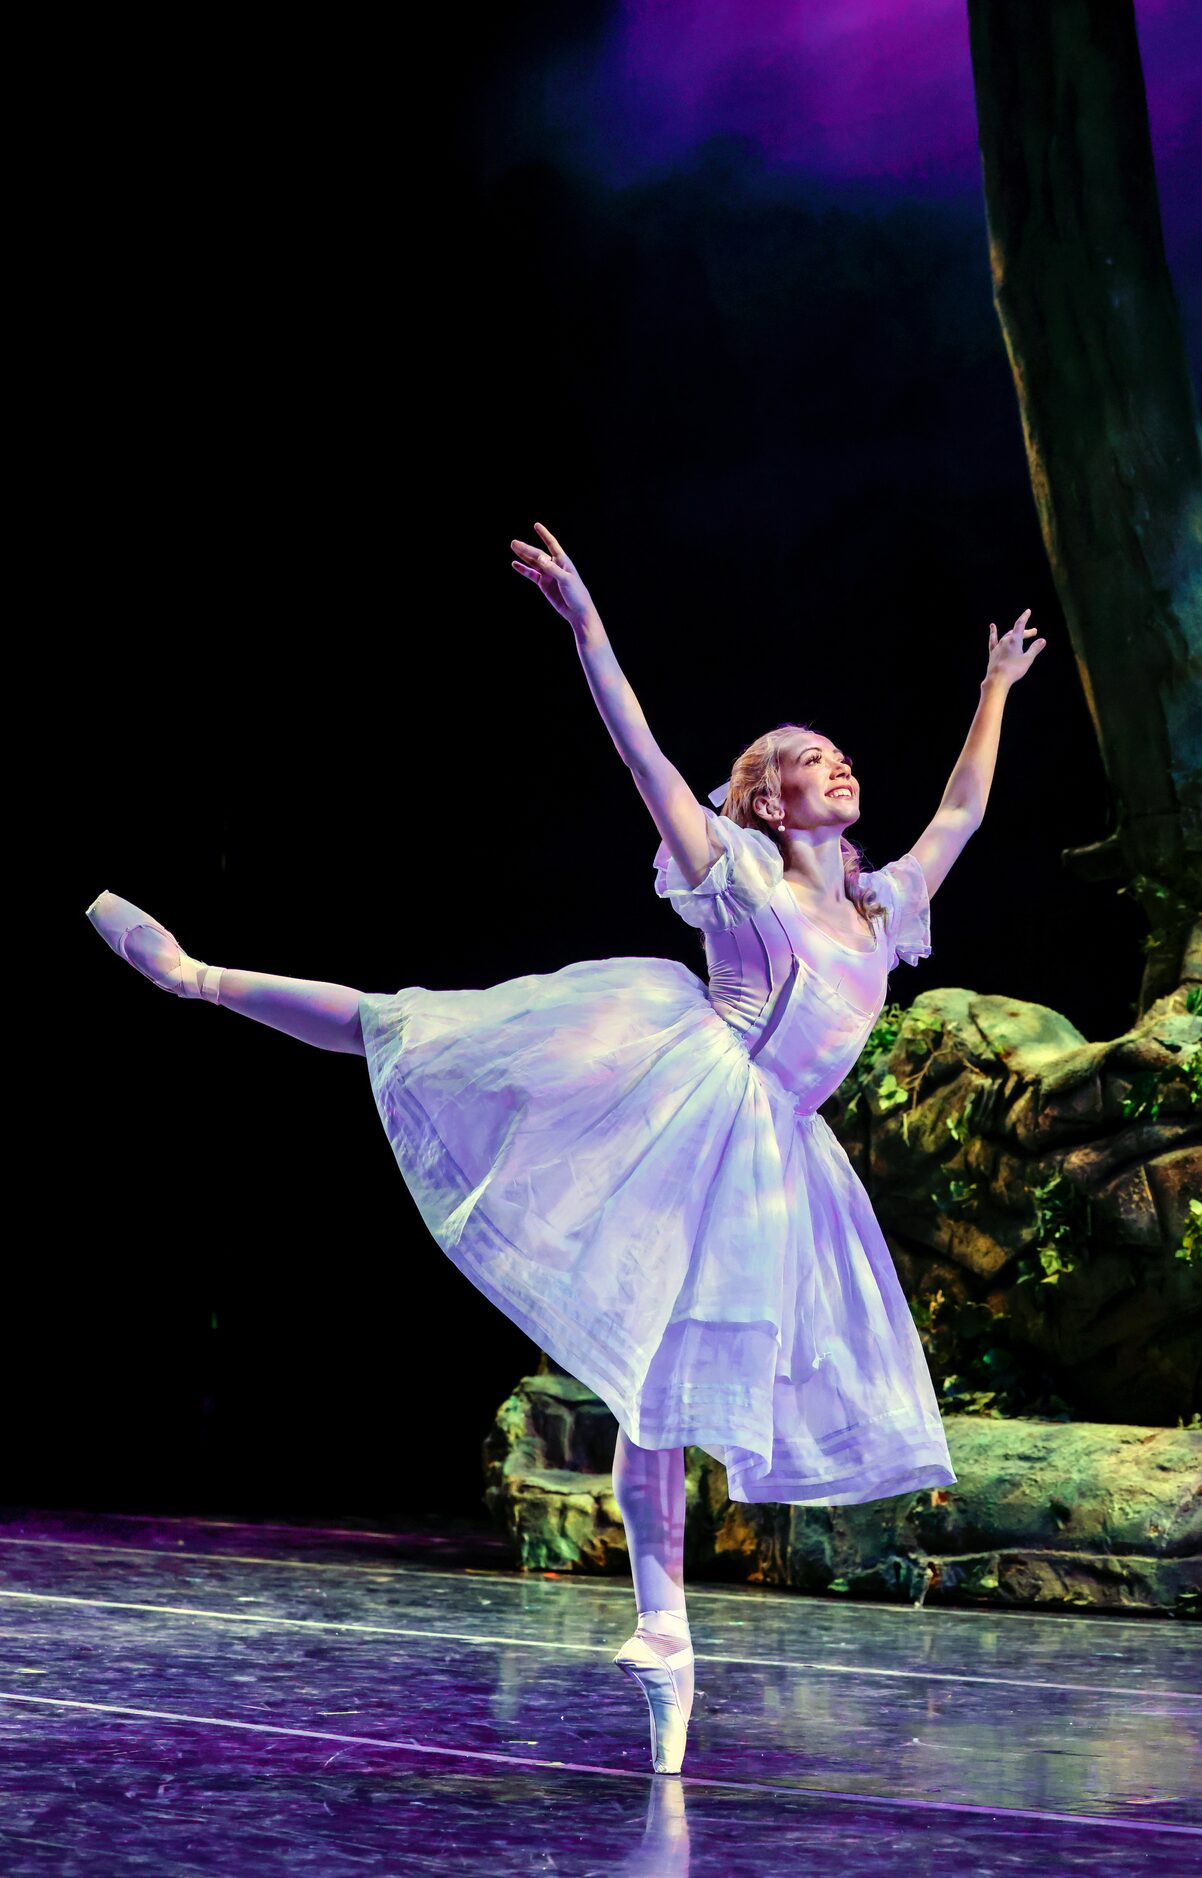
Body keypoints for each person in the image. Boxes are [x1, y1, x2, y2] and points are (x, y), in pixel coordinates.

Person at [85, 522, 1045, 1776]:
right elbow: (641, 753)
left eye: (841, 755)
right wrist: (589, 626)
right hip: (682, 1094)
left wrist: (992, 688)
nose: (839, 766)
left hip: (771, 1160)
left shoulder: (881, 903)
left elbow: (964, 809)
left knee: (666, 1387)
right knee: (416, 1029)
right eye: (811, 760)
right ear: (762, 795)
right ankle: (199, 976)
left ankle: (665, 1641)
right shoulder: (733, 873)